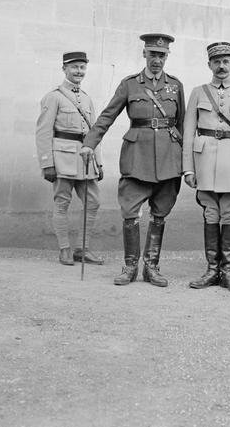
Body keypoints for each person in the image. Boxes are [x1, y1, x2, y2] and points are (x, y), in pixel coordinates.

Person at [81, 34, 184, 286]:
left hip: (169, 159)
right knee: (130, 213)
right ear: (144, 55)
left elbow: (182, 124)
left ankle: (152, 267)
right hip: (137, 158)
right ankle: (130, 267)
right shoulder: (130, 85)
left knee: (160, 214)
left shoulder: (175, 85)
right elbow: (107, 116)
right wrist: (88, 144)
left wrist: (186, 161)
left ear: (166, 56)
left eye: (161, 55)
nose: (157, 60)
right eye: (152, 55)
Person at [183, 42, 230, 293]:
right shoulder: (198, 92)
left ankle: (227, 270)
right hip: (204, 162)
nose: (222, 66)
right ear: (209, 65)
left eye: (226, 61)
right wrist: (188, 169)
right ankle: (212, 269)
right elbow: (188, 133)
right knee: (210, 213)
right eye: (217, 61)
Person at [36, 51, 103, 266]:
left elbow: (94, 133)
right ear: (64, 69)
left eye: (82, 67)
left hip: (85, 158)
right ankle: (64, 249)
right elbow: (43, 132)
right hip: (63, 158)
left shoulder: (87, 98)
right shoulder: (53, 96)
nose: (79, 72)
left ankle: (82, 249)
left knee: (93, 202)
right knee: (62, 203)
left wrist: (98, 162)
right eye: (74, 67)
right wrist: (47, 163)